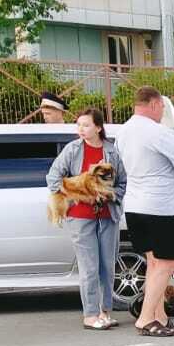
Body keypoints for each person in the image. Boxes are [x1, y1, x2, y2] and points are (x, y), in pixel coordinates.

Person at [115, 85, 174, 337]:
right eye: (161, 106)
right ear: (153, 104)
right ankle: (146, 317)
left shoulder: (123, 131)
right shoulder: (160, 133)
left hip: (136, 205)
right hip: (159, 207)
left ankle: (159, 314)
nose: (162, 111)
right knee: (169, 261)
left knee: (153, 262)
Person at [47, 106, 128, 331]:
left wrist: (111, 196)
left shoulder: (111, 152)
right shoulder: (72, 150)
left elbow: (122, 182)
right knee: (89, 266)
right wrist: (77, 196)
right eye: (79, 125)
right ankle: (90, 314)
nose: (81, 129)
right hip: (80, 217)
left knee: (107, 265)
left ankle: (105, 311)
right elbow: (53, 177)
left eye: (86, 125)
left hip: (107, 215)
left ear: (98, 127)